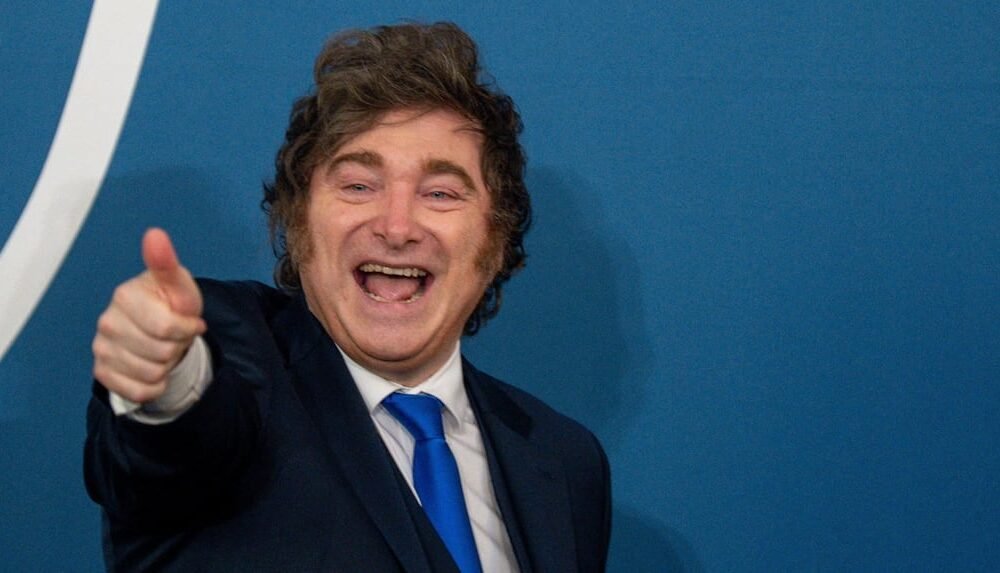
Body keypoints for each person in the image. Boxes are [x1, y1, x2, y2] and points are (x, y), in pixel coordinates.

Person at [85, 22, 610, 573]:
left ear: (495, 240)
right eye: (359, 185)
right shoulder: (238, 365)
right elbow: (178, 443)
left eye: (440, 193)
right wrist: (168, 379)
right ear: (297, 222)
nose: (397, 226)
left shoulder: (564, 460)